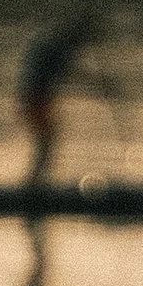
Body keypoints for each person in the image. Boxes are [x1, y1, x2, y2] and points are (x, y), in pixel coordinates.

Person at [16, 14, 99, 189]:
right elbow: (72, 73)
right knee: (46, 141)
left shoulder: (56, 42)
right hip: (36, 98)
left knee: (48, 141)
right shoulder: (57, 47)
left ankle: (35, 184)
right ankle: (32, 187)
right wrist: (100, 83)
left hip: (37, 97)